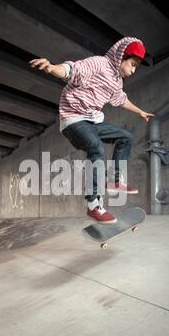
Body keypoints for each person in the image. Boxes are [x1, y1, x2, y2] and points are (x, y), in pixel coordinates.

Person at [29, 37, 155, 223]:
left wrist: (139, 111)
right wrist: (52, 68)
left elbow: (120, 99)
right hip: (73, 120)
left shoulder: (117, 82)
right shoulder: (99, 63)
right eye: (132, 64)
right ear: (121, 56)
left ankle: (113, 180)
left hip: (93, 122)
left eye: (136, 67)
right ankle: (93, 205)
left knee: (126, 137)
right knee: (96, 148)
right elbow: (73, 70)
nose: (133, 70)